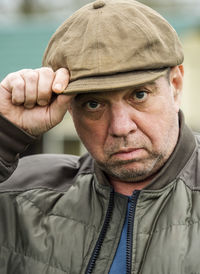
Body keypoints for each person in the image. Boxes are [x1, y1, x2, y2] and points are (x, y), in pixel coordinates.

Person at [0, 0, 199, 273]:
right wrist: (5, 131)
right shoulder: (21, 199)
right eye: (94, 104)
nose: (120, 127)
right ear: (68, 107)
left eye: (139, 95)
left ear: (175, 85)